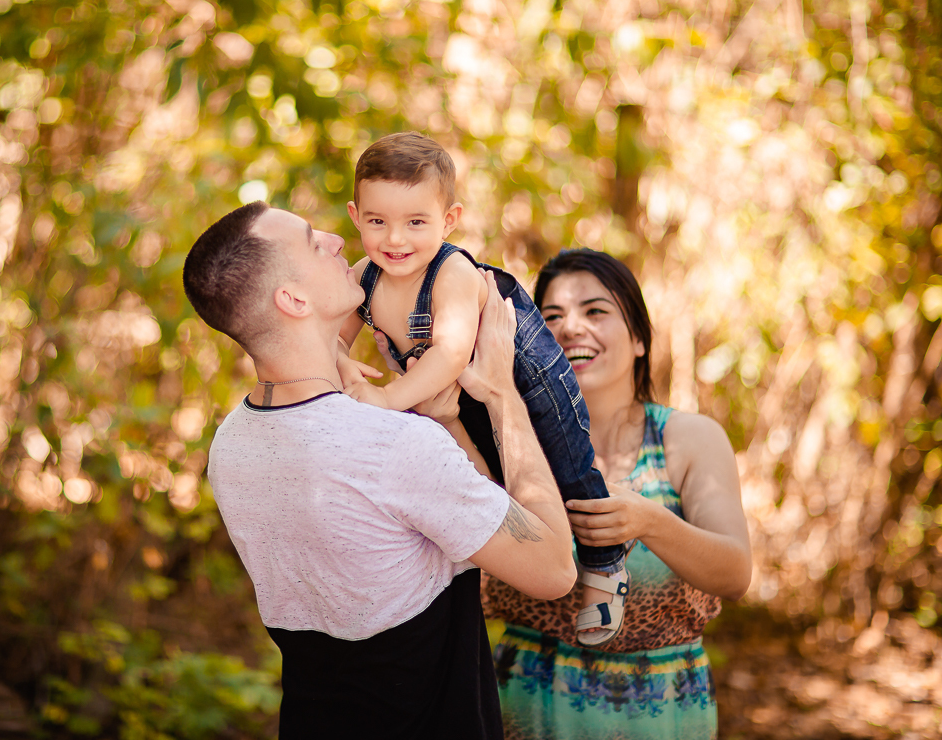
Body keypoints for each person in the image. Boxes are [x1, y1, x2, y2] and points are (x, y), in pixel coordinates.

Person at [181, 200, 577, 740]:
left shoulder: (231, 446)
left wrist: (449, 426)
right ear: (293, 299)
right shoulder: (390, 445)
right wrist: (504, 395)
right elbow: (553, 569)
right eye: (310, 241)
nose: (335, 239)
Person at [337, 131, 629, 644]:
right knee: (491, 479)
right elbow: (330, 339)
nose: (395, 239)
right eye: (378, 221)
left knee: (567, 465)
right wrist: (341, 365)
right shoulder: (364, 277)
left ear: (449, 221)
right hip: (459, 393)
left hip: (528, 378)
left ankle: (606, 566)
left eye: (416, 222)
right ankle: (523, 563)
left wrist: (386, 399)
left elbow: (450, 352)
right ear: (356, 216)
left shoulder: (450, 271)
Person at [485, 248, 752, 740]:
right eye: (551, 318)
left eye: (595, 311)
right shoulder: (511, 440)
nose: (570, 329)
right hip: (526, 708)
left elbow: (735, 575)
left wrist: (651, 522)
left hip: (662, 712)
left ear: (638, 340)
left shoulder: (688, 439)